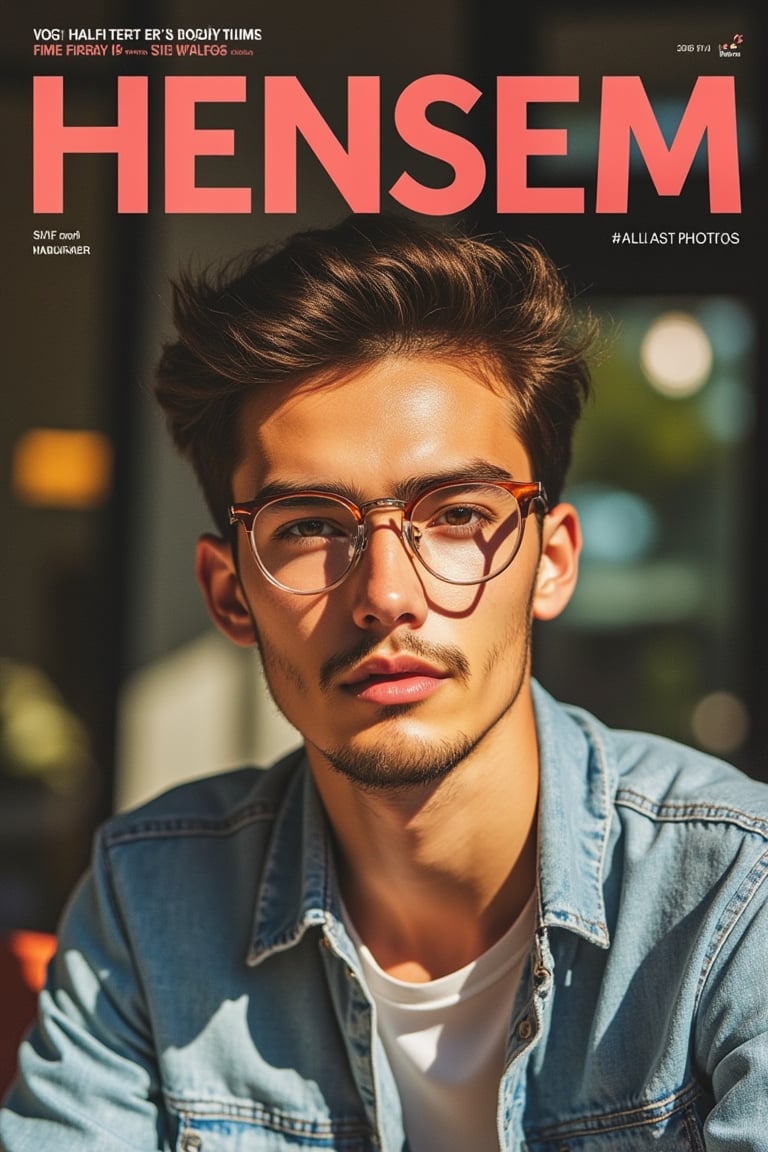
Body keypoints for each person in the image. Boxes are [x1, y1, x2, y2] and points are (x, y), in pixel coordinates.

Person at [1, 213, 767, 1151]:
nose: (385, 596)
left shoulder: (733, 895)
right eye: (309, 526)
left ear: (554, 562)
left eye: (456, 514)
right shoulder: (151, 901)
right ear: (229, 594)